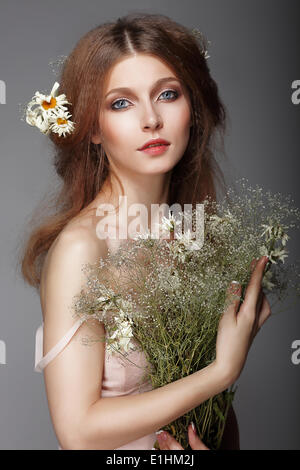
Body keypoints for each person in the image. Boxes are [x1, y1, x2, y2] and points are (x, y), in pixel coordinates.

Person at [20, 12, 271, 450]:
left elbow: (211, 414)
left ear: (191, 108)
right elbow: (77, 432)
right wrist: (221, 372)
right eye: (121, 102)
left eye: (167, 94)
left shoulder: (194, 235)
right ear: (93, 128)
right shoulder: (85, 247)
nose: (151, 119)